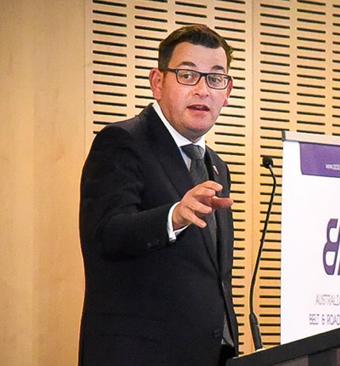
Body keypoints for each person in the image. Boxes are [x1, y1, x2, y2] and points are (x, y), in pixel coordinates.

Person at [78, 24, 239, 366]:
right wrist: (173, 216)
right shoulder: (121, 143)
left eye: (215, 78)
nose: (202, 90)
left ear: (227, 92)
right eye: (187, 75)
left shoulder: (216, 166)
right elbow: (106, 234)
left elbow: (211, 277)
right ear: (157, 82)